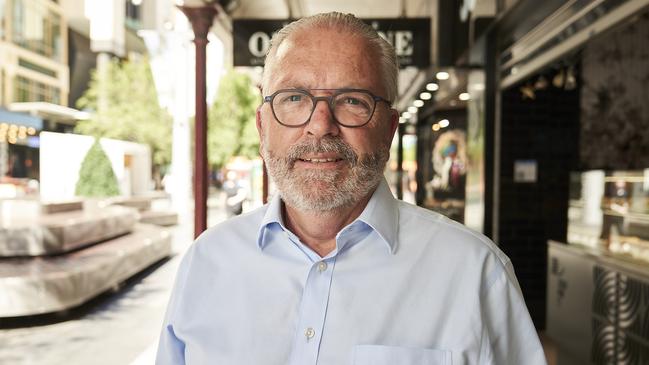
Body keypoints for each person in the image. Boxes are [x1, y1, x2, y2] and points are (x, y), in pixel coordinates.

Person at [156, 12, 547, 365]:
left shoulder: (474, 273)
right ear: (262, 128)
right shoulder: (207, 263)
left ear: (389, 129)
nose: (320, 125)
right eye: (294, 98)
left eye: (352, 101)